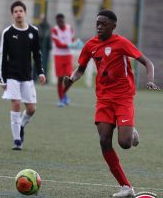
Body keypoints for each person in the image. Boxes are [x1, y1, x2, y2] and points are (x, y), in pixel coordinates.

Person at [63, 10, 160, 197]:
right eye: (97, 23)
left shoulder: (121, 43)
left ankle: (130, 131)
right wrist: (72, 78)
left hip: (123, 97)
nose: (99, 26)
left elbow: (148, 63)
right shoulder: (90, 45)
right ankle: (126, 187)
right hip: (104, 99)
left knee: (124, 144)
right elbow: (81, 69)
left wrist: (150, 80)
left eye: (104, 23)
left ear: (113, 26)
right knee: (104, 140)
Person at [0, 0, 46, 150]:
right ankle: (17, 140)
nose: (18, 13)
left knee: (31, 109)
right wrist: (2, 79)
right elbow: (3, 56)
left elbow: (37, 55)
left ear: (25, 13)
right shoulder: (7, 33)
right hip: (12, 76)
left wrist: (40, 72)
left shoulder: (33, 31)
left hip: (27, 76)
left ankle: (21, 126)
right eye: (15, 11)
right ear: (12, 15)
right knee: (16, 104)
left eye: (21, 11)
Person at [51, 13, 74, 107]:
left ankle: (63, 94)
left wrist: (75, 44)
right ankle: (61, 99)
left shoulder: (70, 28)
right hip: (58, 56)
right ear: (56, 21)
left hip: (68, 56)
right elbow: (58, 44)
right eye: (58, 21)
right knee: (60, 78)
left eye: (61, 21)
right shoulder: (54, 30)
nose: (60, 23)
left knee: (70, 77)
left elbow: (72, 40)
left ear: (64, 20)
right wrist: (68, 45)